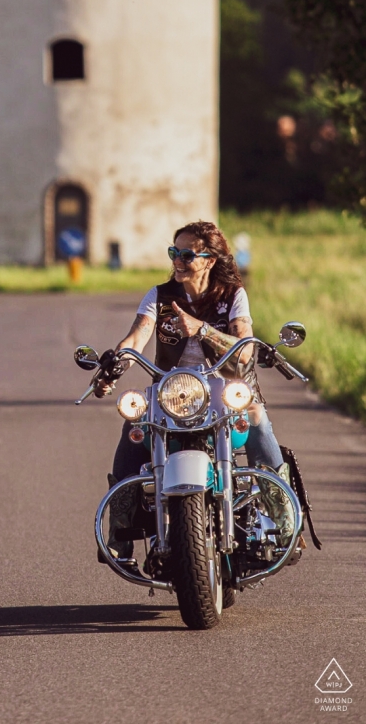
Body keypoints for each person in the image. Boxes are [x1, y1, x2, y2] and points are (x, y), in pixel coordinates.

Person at [94, 219, 294, 559]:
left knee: (256, 416)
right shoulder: (159, 295)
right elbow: (137, 337)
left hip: (224, 390)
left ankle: (285, 521)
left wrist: (200, 329)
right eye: (174, 252)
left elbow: (244, 347)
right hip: (173, 393)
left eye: (187, 254)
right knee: (134, 423)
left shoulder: (233, 296)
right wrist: (113, 367)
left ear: (210, 260)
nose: (178, 261)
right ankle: (119, 532)